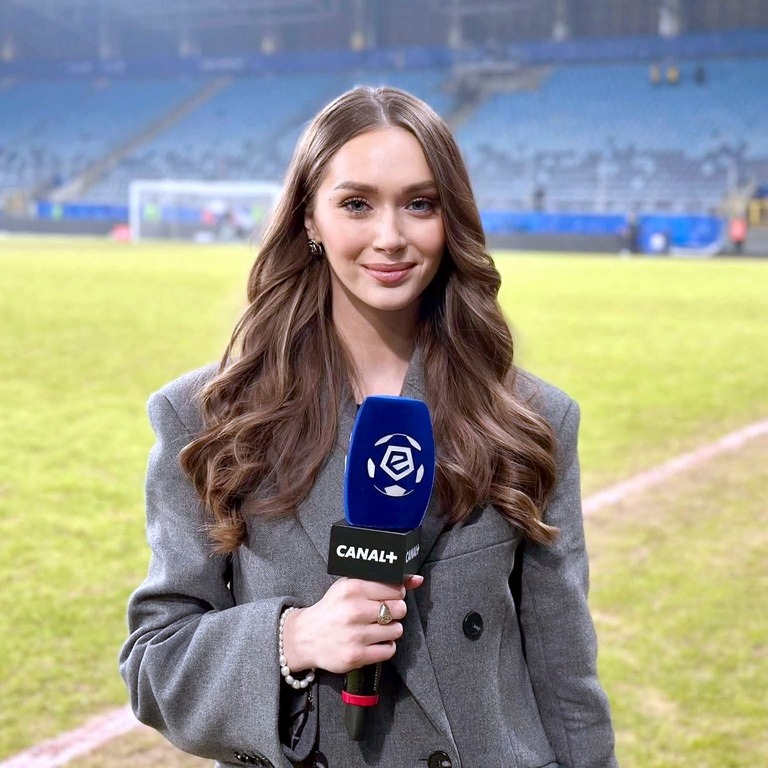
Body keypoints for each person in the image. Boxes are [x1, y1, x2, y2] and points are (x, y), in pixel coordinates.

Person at [120, 86, 617, 768]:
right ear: (310, 219)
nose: (390, 236)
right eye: (357, 204)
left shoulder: (531, 420)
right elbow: (156, 664)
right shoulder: (209, 418)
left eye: (420, 204)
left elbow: (566, 679)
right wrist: (295, 638)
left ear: (450, 218)